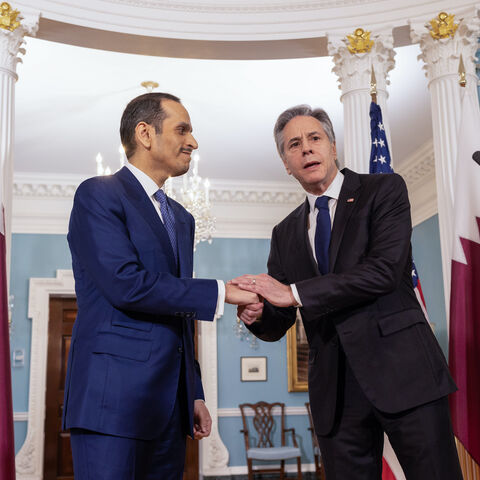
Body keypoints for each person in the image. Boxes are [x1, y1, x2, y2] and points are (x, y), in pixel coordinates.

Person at [231, 105, 462, 479]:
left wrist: (292, 292)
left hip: (404, 375)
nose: (306, 149)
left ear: (333, 147)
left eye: (314, 138)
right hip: (336, 396)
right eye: (294, 145)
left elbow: (382, 273)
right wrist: (258, 315)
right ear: (286, 163)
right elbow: (280, 320)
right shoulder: (284, 232)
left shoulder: (383, 190)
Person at [63, 92, 257, 480]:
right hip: (111, 403)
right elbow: (126, 285)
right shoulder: (98, 194)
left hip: (171, 410)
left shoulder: (182, 218)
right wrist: (220, 291)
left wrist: (195, 392)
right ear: (145, 134)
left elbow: (178, 314)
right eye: (182, 129)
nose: (194, 142)